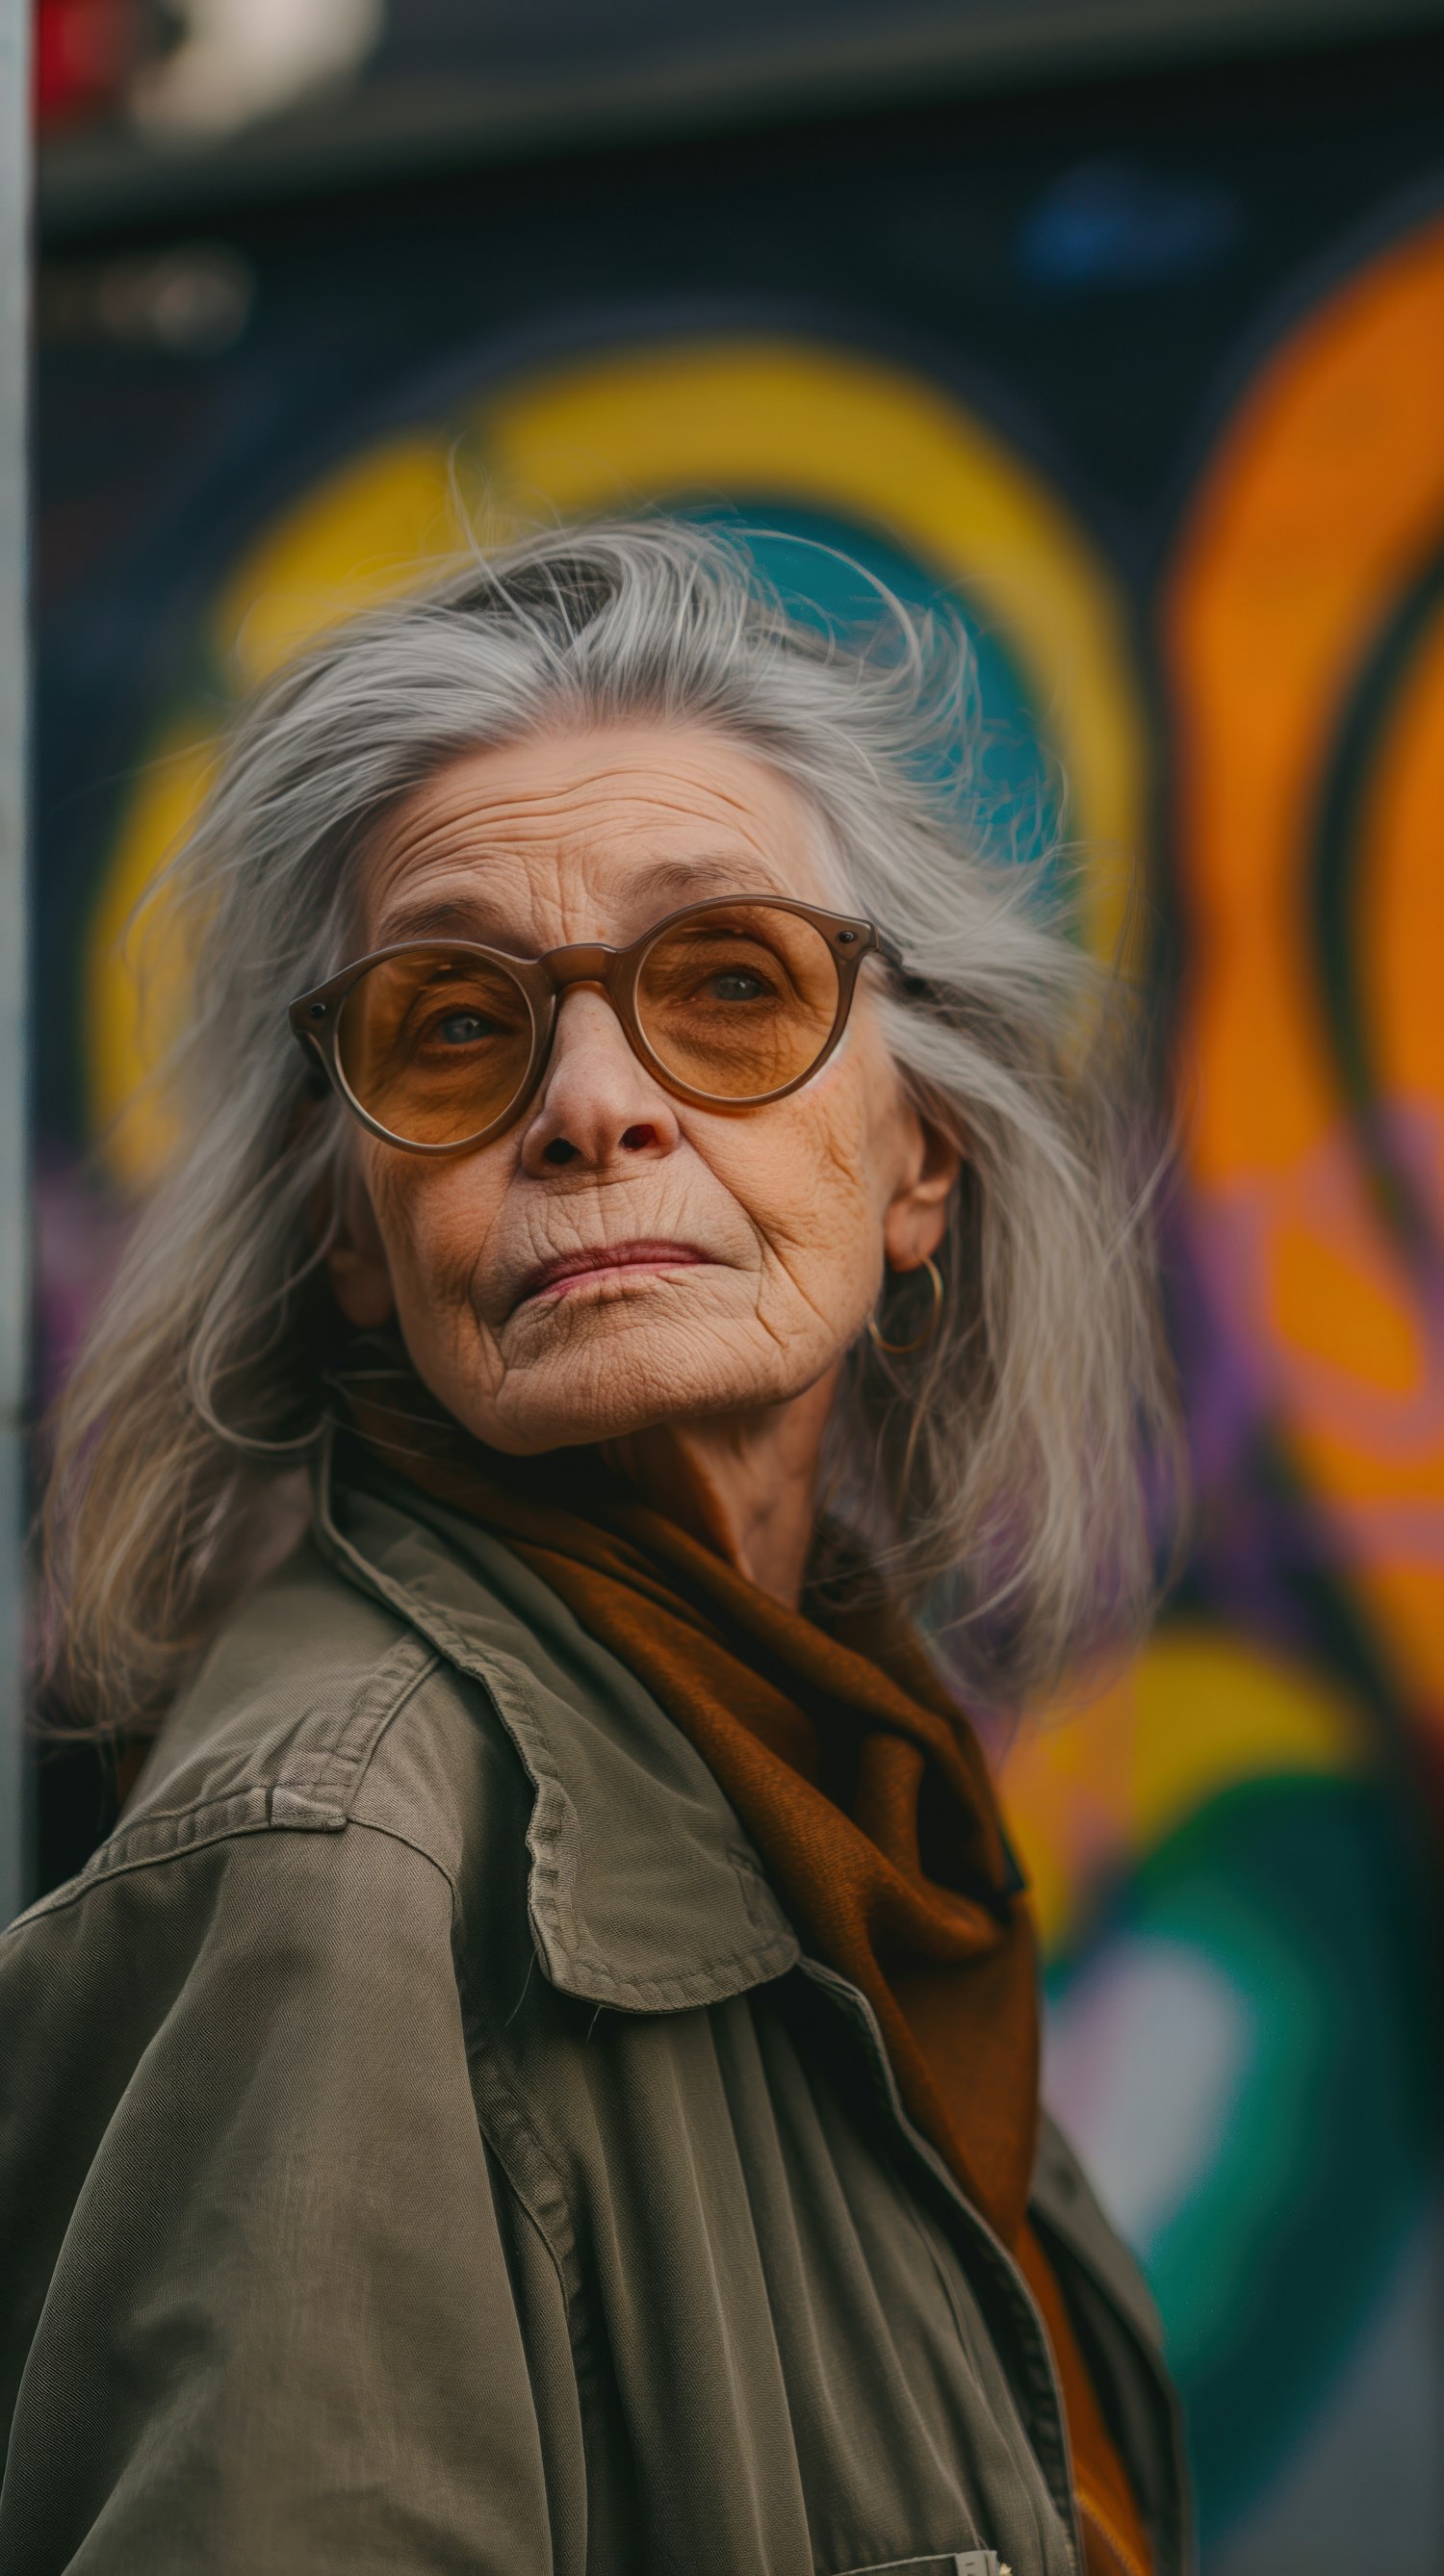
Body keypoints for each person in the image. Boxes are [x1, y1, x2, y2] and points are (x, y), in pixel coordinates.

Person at [1, 522, 1190, 2576]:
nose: (590, 1102)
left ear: (920, 1158)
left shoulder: (847, 1767)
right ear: (351, 1236)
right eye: (453, 1027)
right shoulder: (338, 1873)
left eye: (729, 984)